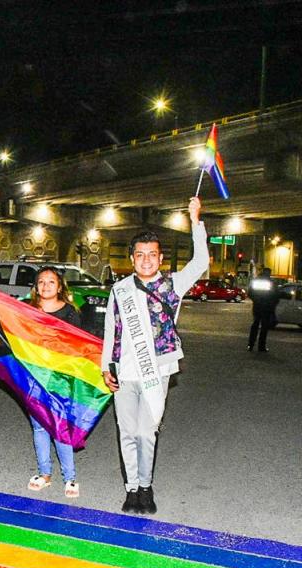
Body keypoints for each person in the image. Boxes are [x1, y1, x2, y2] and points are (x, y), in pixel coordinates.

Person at [101, 196, 208, 515]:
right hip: (124, 373)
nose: (146, 260)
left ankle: (146, 486)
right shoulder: (119, 289)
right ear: (132, 259)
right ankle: (131, 488)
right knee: (127, 432)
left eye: (152, 255)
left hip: (156, 372)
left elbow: (201, 262)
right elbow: (110, 330)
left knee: (147, 432)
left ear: (160, 258)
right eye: (140, 255)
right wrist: (106, 366)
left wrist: (195, 220)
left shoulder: (173, 285)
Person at [25, 267, 83, 498]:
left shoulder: (70, 312)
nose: (46, 286)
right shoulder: (26, 310)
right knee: (39, 426)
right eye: (41, 282)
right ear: (36, 287)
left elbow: (78, 345)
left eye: (51, 282)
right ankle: (45, 473)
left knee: (60, 427)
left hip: (60, 378)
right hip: (33, 376)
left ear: (60, 287)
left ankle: (70, 477)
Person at [247, 267, 277, 352]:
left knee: (255, 325)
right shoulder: (271, 282)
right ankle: (261, 346)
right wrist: (272, 304)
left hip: (257, 306)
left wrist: (256, 300)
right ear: (269, 273)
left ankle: (250, 345)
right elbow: (275, 295)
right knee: (264, 328)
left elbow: (250, 293)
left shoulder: (256, 281)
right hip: (266, 308)